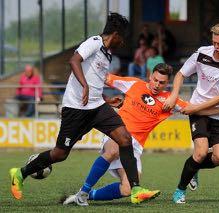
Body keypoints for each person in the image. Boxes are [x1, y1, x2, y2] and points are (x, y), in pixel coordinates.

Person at [9, 12, 159, 204]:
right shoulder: (95, 42)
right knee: (60, 153)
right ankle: (20, 173)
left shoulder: (107, 54)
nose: (123, 43)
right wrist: (85, 85)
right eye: (123, 38)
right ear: (115, 34)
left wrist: (106, 99)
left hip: (97, 107)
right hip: (76, 108)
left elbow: (94, 80)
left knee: (124, 138)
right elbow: (74, 60)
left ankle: (136, 188)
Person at [62, 63, 219, 206]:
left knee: (127, 189)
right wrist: (84, 76)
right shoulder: (134, 84)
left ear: (168, 84)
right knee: (113, 149)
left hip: (135, 147)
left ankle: (85, 196)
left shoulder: (169, 100)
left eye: (162, 82)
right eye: (155, 80)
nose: (157, 85)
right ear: (150, 76)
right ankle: (84, 192)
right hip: (118, 133)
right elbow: (105, 78)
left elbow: (194, 110)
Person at [162, 23, 219, 204]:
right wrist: (174, 95)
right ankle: (180, 190)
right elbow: (180, 75)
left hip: (217, 115)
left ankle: (194, 168)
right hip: (198, 111)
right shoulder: (201, 53)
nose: (216, 47)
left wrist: (195, 108)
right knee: (200, 153)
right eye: (214, 42)